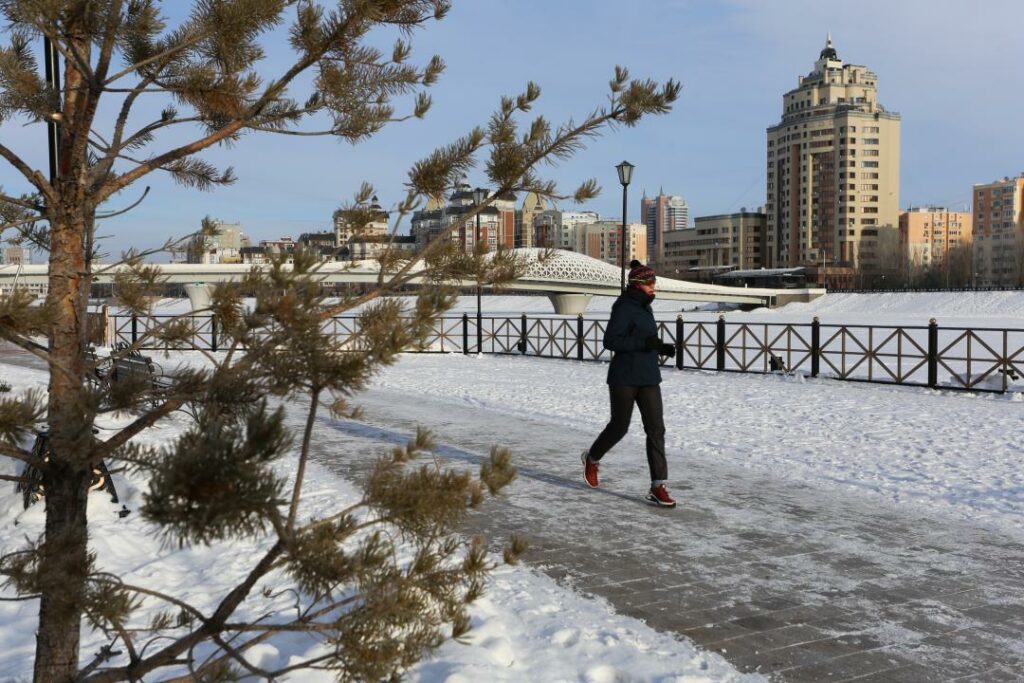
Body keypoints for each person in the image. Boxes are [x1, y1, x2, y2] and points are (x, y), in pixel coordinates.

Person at [581, 260, 677, 507]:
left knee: (656, 429)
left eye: (654, 282)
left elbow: (644, 338)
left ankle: (658, 486)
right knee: (619, 427)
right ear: (638, 284)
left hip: (648, 376)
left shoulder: (646, 306)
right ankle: (592, 459)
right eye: (650, 283)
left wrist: (659, 346)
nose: (654, 287)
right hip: (624, 376)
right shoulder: (624, 306)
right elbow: (611, 341)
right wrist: (645, 344)